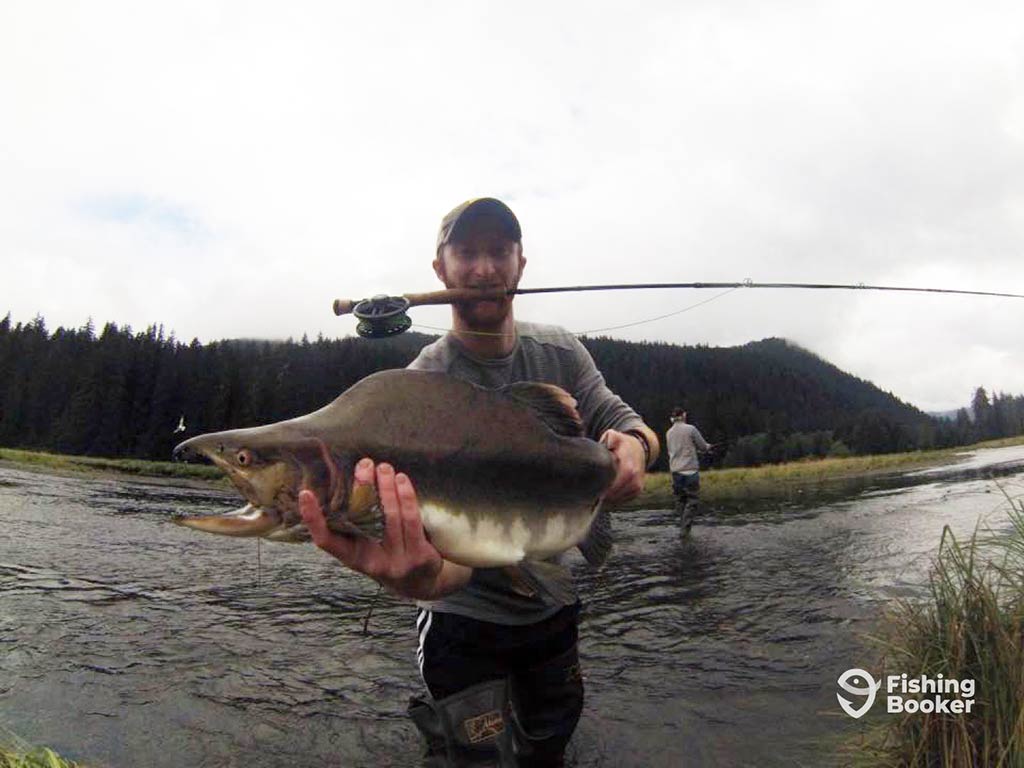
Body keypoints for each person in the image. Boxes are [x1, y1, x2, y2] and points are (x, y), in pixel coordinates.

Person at [298, 197, 659, 766]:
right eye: (467, 252)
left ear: (520, 264)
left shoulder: (560, 352)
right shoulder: (419, 389)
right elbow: (448, 560)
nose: (484, 268)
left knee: (549, 745)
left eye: (499, 251)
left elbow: (626, 422)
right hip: (461, 624)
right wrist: (422, 579)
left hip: (553, 609)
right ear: (440, 268)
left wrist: (636, 447)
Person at [666, 407, 713, 535]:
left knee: (680, 500)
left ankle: (684, 527)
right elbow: (703, 446)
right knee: (692, 500)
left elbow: (677, 451)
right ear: (683, 415)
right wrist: (707, 447)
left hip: (675, 471)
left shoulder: (669, 433)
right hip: (690, 471)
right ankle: (685, 529)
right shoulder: (690, 429)